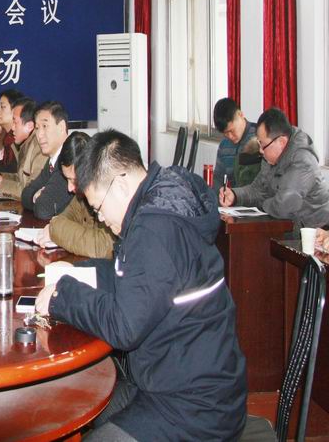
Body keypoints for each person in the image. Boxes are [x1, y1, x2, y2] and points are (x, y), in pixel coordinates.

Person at [35, 129, 247, 440]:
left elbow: (124, 327)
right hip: (174, 380)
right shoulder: (162, 203)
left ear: (120, 184)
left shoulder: (154, 228)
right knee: (78, 405)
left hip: (194, 406)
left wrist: (62, 297)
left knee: (89, 426)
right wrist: (80, 271)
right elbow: (137, 276)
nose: (100, 218)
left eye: (98, 208)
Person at [219, 107, 329, 229]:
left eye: (263, 145)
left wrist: (264, 202)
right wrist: (235, 195)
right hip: (288, 226)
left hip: (317, 231)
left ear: (281, 142)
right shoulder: (271, 155)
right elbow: (258, 190)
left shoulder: (303, 160)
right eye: (259, 143)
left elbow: (284, 206)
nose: (261, 150)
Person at [35, 131, 114, 258]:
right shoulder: (81, 196)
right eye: (67, 179)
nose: (69, 188)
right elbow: (63, 218)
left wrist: (54, 230)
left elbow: (102, 246)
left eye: (73, 180)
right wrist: (58, 228)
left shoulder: (109, 193)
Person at [20, 101, 72, 219]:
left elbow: (43, 209)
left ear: (61, 127)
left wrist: (40, 198)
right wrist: (35, 196)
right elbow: (25, 195)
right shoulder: (52, 161)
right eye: (37, 128)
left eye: (45, 126)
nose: (39, 135)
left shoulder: (69, 160)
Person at [0, 98, 45, 200]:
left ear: (29, 126)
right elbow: (21, 179)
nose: (12, 128)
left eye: (15, 122)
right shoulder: (26, 145)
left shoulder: (40, 150)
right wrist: (2, 177)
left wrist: (1, 185)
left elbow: (29, 191)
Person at [212, 98, 261, 191]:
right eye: (225, 133)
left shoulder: (260, 136)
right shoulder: (224, 146)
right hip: (234, 197)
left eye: (231, 130)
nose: (230, 136)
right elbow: (218, 178)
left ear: (240, 114)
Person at [0, 89, 23, 175]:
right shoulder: (7, 137)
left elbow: (11, 170)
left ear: (16, 110)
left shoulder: (19, 138)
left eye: (2, 107)